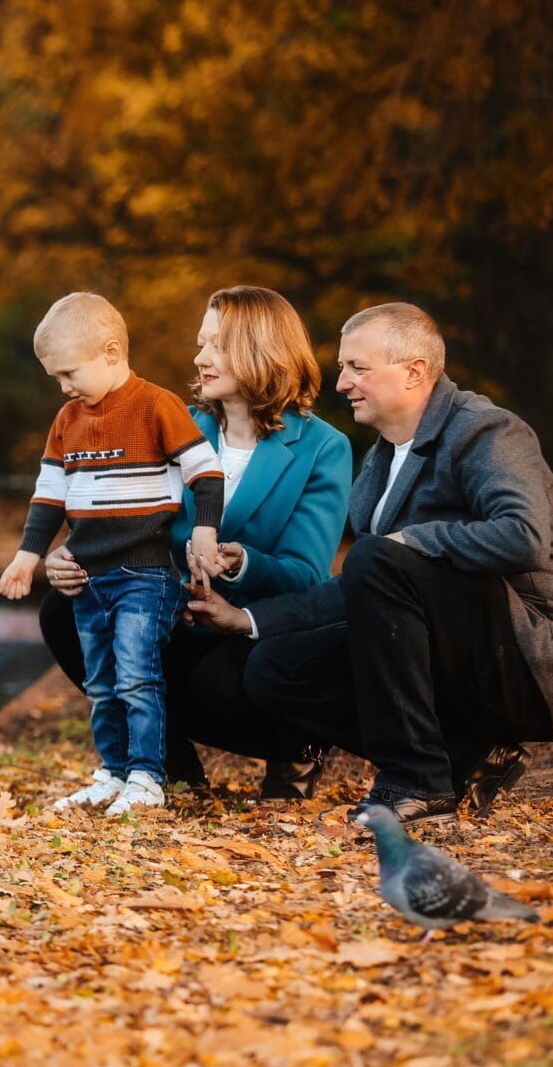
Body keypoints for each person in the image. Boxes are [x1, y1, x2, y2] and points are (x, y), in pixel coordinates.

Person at [187, 302, 553, 822]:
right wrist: (246, 620)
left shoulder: (486, 431)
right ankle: (459, 754)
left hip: (526, 657)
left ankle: (415, 779)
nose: (342, 383)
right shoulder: (379, 465)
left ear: (414, 371)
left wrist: (411, 542)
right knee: (272, 668)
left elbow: (525, 536)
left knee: (380, 555)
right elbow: (367, 583)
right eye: (342, 367)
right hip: (450, 658)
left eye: (359, 368)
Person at [36, 286, 352, 797]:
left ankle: (297, 748)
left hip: (249, 630)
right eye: (201, 343)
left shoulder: (323, 448)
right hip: (164, 608)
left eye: (217, 346)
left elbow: (308, 576)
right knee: (61, 610)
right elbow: (114, 513)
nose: (199, 357)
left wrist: (241, 563)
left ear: (261, 350)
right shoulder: (170, 419)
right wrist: (70, 557)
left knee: (218, 683)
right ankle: (165, 764)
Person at [0, 292, 224, 815]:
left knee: (137, 675)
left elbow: (206, 474)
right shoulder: (67, 420)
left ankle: (148, 778)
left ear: (111, 351)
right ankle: (113, 772)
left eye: (70, 373)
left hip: (144, 574)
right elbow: (49, 496)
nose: (64, 386)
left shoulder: (157, 406)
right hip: (88, 576)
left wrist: (206, 533)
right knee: (100, 682)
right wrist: (26, 558)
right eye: (56, 378)